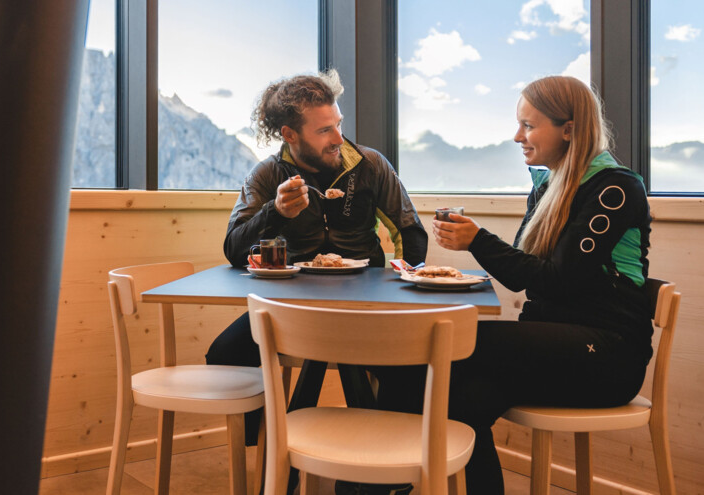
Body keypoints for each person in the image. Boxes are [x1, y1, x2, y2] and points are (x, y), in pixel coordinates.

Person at [375, 75, 653, 493]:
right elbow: (528, 273)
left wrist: (478, 241)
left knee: (434, 343)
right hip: (555, 343)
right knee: (465, 402)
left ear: (569, 129)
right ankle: (385, 481)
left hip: (608, 353)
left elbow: (559, 280)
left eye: (528, 124)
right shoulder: (547, 187)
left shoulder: (615, 188)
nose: (516, 135)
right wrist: (475, 243)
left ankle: (373, 484)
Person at [207, 69, 428, 495]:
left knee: (411, 367)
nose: (338, 138)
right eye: (325, 129)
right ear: (290, 134)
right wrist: (275, 213)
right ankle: (276, 447)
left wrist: (404, 286)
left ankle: (379, 476)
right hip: (290, 311)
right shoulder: (268, 177)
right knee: (224, 352)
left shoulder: (369, 166)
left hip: (365, 303)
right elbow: (234, 248)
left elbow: (410, 231)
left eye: (338, 124)